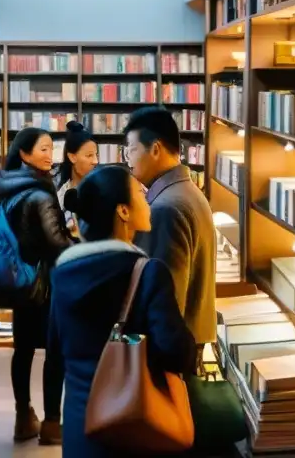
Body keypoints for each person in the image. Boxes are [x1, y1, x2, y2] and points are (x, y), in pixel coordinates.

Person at [51, 164, 196, 457]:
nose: (146, 196)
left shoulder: (62, 272)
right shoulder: (147, 272)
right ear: (123, 211)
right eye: (138, 194)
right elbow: (175, 351)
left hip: (83, 425)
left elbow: (55, 352)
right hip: (134, 423)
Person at [0, 127, 74, 445]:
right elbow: (57, 243)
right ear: (24, 154)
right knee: (55, 353)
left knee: (22, 351)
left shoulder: (10, 188)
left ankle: (23, 418)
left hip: (21, 282)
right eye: (43, 149)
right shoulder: (40, 192)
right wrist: (76, 237)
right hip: (47, 285)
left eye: (52, 149)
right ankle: (52, 424)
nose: (50, 155)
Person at [124, 106, 217, 345]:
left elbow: (165, 298)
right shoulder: (187, 191)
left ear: (155, 149)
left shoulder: (165, 207)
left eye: (132, 150)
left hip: (172, 349)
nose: (128, 160)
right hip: (188, 338)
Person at [56, 120, 99, 236]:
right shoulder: (59, 198)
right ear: (72, 157)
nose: (96, 161)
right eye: (89, 155)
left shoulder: (103, 191)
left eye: (96, 155)